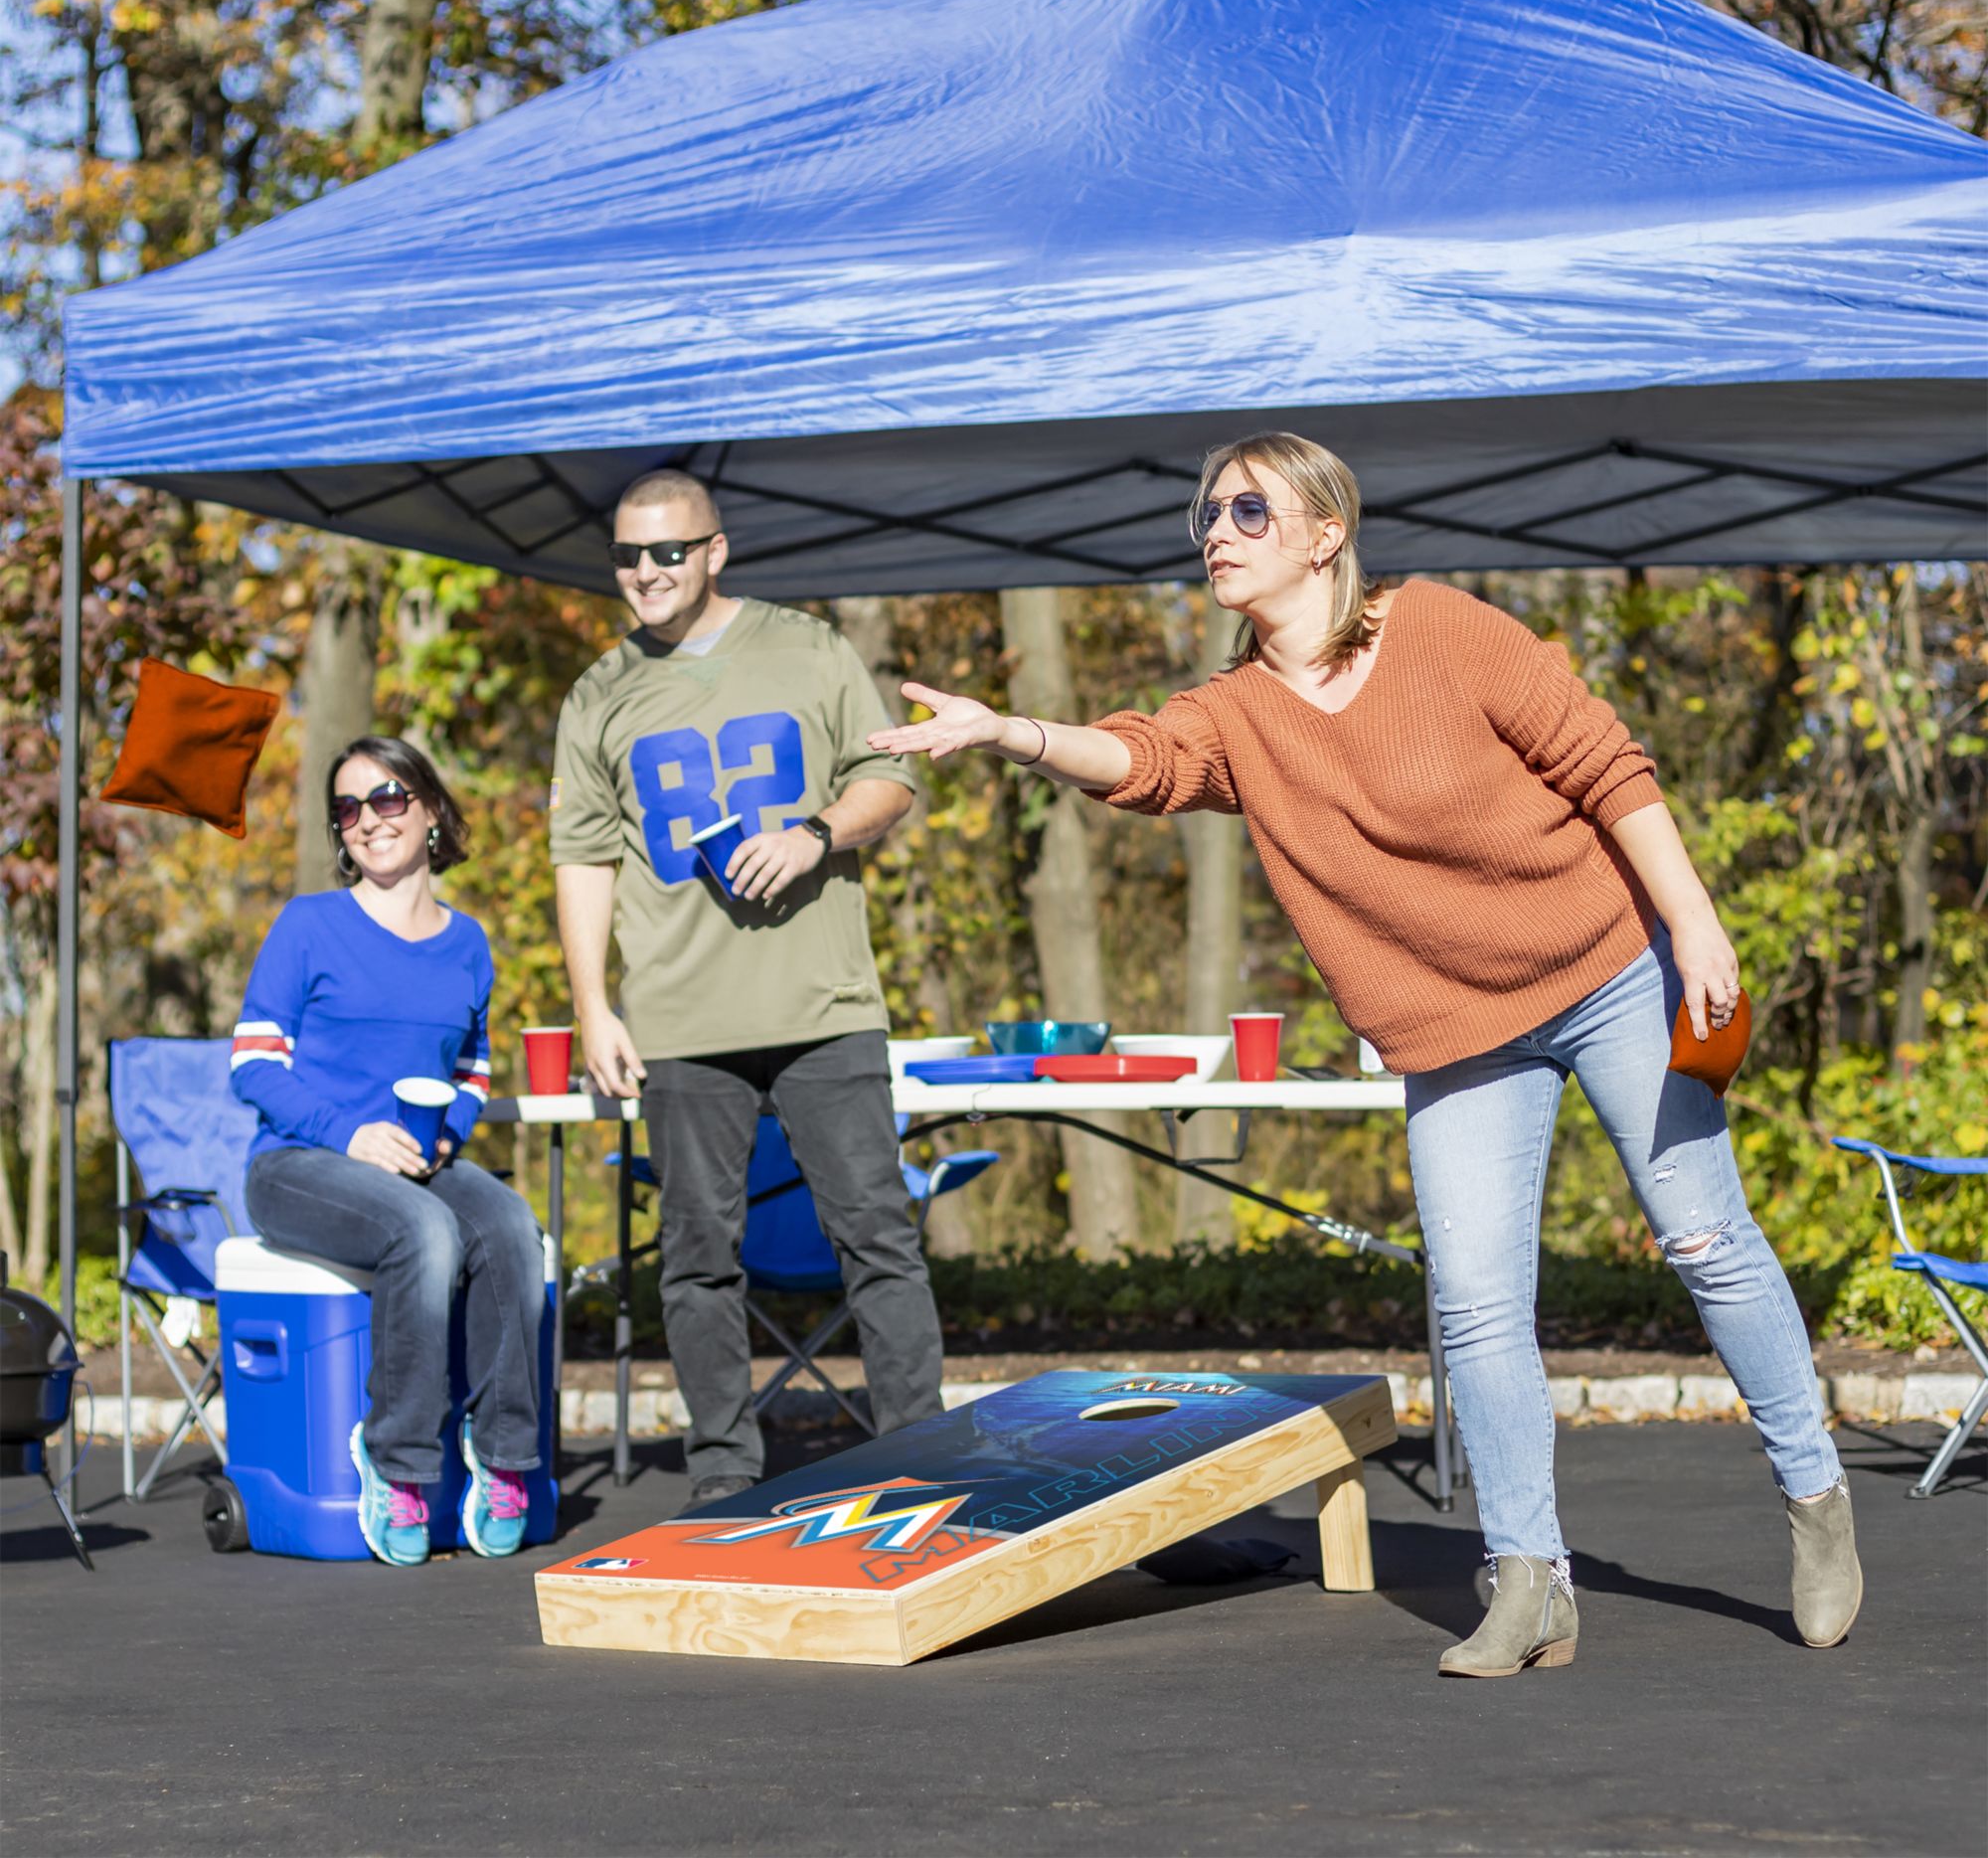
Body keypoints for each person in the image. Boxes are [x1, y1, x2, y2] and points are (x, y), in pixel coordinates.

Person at [868, 430, 1861, 1676]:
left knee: (1705, 1242)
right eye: (1204, 518)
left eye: (1244, 508)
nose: (1214, 533)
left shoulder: (1444, 627)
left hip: (1604, 968)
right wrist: (1015, 731)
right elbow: (1145, 760)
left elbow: (1603, 763)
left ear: (1325, 530)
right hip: (1453, 1029)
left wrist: (1691, 917)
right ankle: (1528, 1578)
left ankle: (1815, 1497)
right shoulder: (1234, 713)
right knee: (1477, 1304)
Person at [552, 469, 943, 1510]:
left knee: (877, 1238)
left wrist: (813, 833)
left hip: (823, 1006)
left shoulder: (806, 647)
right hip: (680, 1020)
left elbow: (891, 778)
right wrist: (594, 1004)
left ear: (715, 551)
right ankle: (723, 1473)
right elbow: (583, 857)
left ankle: (922, 1460)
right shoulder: (597, 692)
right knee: (693, 1259)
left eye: (667, 551)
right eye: (629, 556)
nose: (646, 572)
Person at [232, 736, 544, 1568]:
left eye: (388, 798)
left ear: (432, 809)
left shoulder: (468, 941)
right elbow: (253, 1064)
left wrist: (452, 1132)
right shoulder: (309, 925)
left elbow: (473, 1069)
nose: (368, 819)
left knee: (512, 1226)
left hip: (419, 1162)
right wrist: (349, 1133)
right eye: (348, 807)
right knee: (424, 1231)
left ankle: (505, 1457)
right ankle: (398, 1462)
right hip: (299, 1165)